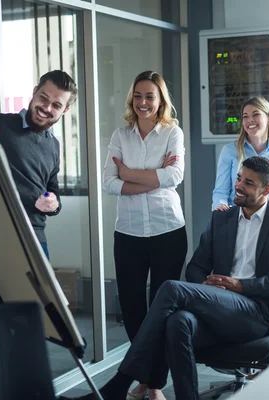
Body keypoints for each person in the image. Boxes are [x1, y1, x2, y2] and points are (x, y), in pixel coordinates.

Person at [98, 156, 269, 400]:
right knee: (178, 321)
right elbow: (196, 267)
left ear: (267, 189)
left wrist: (240, 286)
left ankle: (121, 382)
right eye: (238, 178)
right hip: (220, 307)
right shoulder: (222, 218)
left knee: (172, 289)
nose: (238, 185)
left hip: (259, 312)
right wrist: (206, 285)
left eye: (248, 183)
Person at [102, 71, 187, 400]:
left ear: (161, 100)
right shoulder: (120, 135)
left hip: (168, 230)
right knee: (133, 309)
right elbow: (109, 183)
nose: (143, 102)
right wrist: (153, 176)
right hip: (129, 233)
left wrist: (129, 174)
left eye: (150, 96)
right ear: (131, 99)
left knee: (162, 310)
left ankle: (153, 385)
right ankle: (148, 378)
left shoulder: (171, 133)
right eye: (138, 96)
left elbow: (174, 176)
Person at [0, 70, 77, 259]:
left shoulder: (53, 145)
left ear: (65, 110)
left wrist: (53, 204)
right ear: (35, 91)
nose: (46, 107)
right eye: (43, 98)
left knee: (41, 289)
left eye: (56, 105)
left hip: (35, 238)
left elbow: (53, 192)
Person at [212, 96, 269, 211]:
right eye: (245, 116)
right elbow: (221, 191)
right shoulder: (229, 151)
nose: (250, 120)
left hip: (265, 218)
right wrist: (219, 211)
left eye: (256, 114)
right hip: (235, 215)